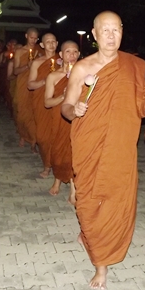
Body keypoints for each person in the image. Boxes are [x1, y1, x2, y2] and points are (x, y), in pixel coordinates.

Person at [61, 11, 145, 290]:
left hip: (120, 148)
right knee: (87, 203)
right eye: (104, 30)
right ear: (94, 35)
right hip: (89, 146)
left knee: (114, 203)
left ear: (122, 32)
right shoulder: (82, 68)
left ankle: (101, 265)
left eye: (115, 30)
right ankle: (90, 237)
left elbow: (141, 106)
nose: (110, 35)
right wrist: (76, 109)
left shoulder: (134, 65)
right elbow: (65, 108)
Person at [44, 40, 79, 202]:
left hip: (75, 119)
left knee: (73, 152)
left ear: (79, 54)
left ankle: (73, 189)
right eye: (68, 52)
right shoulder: (53, 76)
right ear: (61, 55)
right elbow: (47, 102)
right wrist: (63, 97)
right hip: (58, 118)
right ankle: (57, 180)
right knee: (58, 153)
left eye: (75, 52)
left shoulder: (84, 75)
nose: (71, 56)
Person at [27, 33, 59, 178]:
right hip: (41, 102)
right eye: (48, 42)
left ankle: (54, 165)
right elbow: (30, 84)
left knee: (57, 135)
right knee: (42, 137)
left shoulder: (62, 60)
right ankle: (46, 163)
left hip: (58, 100)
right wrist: (44, 81)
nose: (51, 44)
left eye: (53, 41)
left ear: (57, 44)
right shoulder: (37, 62)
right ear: (42, 45)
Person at [13, 27, 41, 152]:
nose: (33, 40)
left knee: (33, 114)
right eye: (31, 37)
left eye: (36, 38)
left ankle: (33, 141)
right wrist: (27, 66)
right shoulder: (19, 52)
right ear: (26, 36)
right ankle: (23, 135)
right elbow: (15, 71)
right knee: (22, 114)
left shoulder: (39, 51)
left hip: (34, 85)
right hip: (22, 85)